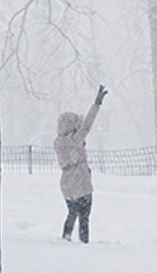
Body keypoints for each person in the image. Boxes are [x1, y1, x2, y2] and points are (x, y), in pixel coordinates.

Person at [56, 85, 107, 242]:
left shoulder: (58, 142)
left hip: (66, 184)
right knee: (84, 216)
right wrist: (96, 104)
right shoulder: (75, 140)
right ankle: (84, 243)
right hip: (80, 181)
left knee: (72, 212)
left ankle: (66, 237)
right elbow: (87, 125)